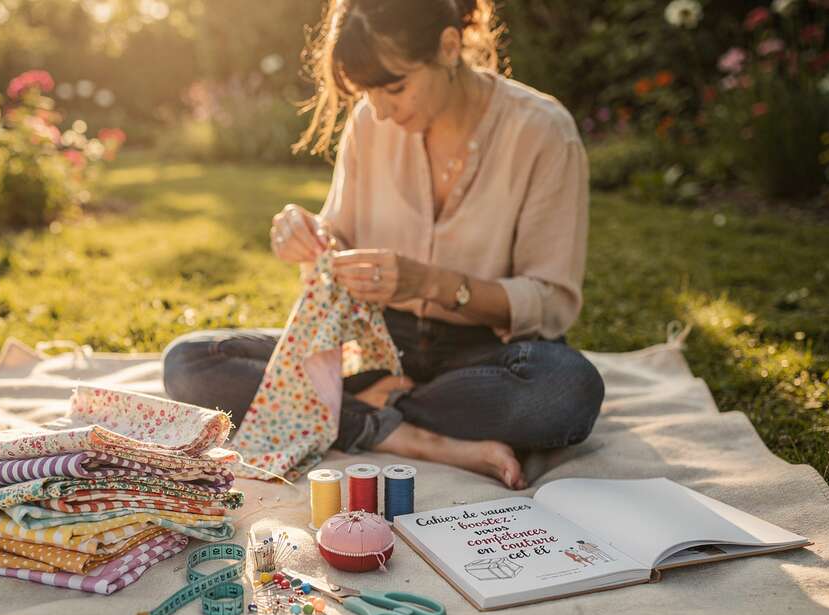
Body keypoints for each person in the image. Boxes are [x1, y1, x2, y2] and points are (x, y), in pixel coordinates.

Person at [163, 0, 603, 489]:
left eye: (395, 86)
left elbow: (552, 303)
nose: (380, 109)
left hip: (481, 352)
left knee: (566, 391)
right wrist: (309, 236)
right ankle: (403, 433)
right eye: (367, 91)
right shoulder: (369, 124)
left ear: (449, 46)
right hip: (375, 346)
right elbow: (338, 237)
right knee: (191, 362)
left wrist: (431, 282)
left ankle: (361, 411)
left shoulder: (543, 132)